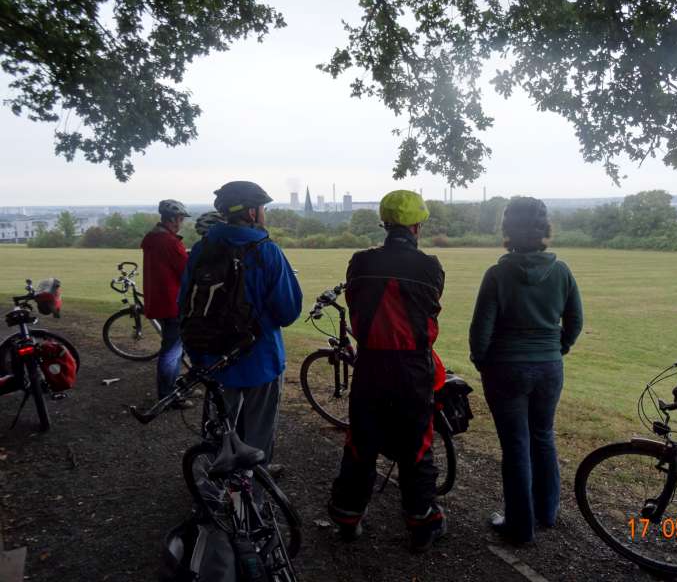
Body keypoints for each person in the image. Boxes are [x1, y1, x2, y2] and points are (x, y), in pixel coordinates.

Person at [328, 190, 447, 553]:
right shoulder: (430, 265)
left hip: (371, 365)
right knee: (417, 445)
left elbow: (354, 302)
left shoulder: (360, 262)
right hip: (412, 367)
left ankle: (348, 516)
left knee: (361, 442)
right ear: (416, 226)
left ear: (385, 224)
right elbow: (431, 307)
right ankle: (422, 521)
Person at [469, 197, 583, 545]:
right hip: (549, 367)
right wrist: (557, 348)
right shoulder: (562, 271)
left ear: (508, 229)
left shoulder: (497, 274)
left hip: (505, 368)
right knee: (543, 437)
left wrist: (483, 361)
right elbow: (575, 322)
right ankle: (546, 512)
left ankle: (519, 526)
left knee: (516, 445)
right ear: (544, 228)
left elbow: (480, 331)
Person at [179, 181, 302, 470]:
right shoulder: (266, 250)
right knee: (258, 435)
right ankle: (252, 501)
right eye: (261, 208)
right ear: (251, 212)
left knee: (218, 432)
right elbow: (288, 311)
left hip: (211, 357)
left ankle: (210, 496)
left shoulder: (200, 249)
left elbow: (184, 302)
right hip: (261, 358)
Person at [141, 199, 191, 407]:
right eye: (180, 219)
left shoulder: (152, 239)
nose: (181, 223)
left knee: (175, 346)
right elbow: (186, 271)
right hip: (172, 302)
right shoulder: (170, 242)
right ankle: (168, 396)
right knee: (172, 350)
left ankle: (174, 387)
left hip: (158, 299)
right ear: (172, 219)